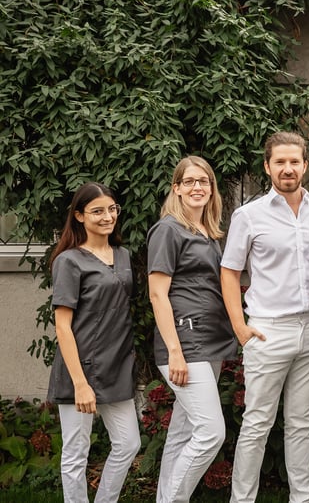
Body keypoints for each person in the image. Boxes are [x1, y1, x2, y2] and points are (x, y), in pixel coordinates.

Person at [222, 131, 309, 503]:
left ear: (305, 165)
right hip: (268, 331)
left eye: (294, 161)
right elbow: (230, 271)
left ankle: (302, 498)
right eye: (280, 162)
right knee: (257, 423)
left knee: (302, 423)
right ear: (267, 167)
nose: (288, 168)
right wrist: (240, 327)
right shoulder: (248, 215)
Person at [147, 156, 236, 502]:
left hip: (210, 342)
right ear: (177, 188)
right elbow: (158, 294)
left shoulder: (208, 233)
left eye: (204, 181)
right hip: (185, 343)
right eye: (190, 181)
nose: (197, 187)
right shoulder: (168, 230)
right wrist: (174, 352)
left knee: (182, 433)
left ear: (212, 189)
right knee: (211, 433)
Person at [47, 182, 140, 503]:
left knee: (129, 444)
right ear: (79, 216)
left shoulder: (123, 255)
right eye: (97, 211)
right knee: (76, 452)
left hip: (116, 366)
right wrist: (80, 383)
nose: (107, 217)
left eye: (112, 209)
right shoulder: (69, 261)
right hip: (79, 367)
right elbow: (62, 326)